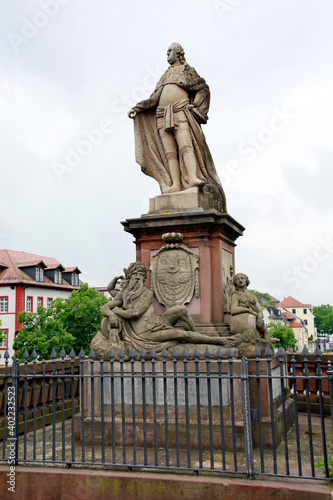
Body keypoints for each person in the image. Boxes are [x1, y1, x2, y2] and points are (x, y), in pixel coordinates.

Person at [128, 43, 226, 212]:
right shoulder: (165, 76)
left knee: (186, 146)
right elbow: (155, 97)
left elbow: (202, 88)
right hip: (161, 114)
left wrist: (195, 107)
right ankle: (176, 184)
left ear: (178, 53)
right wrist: (139, 107)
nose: (167, 55)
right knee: (169, 153)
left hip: (181, 111)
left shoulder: (187, 70)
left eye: (170, 52)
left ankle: (194, 178)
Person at [100, 262, 234, 354]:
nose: (138, 278)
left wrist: (116, 311)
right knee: (181, 334)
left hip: (157, 323)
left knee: (180, 309)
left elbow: (135, 312)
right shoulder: (123, 293)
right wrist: (111, 315)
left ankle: (196, 338)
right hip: (147, 332)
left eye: (141, 276)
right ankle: (218, 340)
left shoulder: (147, 293)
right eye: (136, 275)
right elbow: (104, 307)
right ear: (129, 277)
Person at [230, 273, 270, 341]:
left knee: (264, 329)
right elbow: (233, 310)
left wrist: (260, 316)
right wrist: (248, 310)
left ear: (246, 281)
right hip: (243, 321)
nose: (240, 280)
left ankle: (267, 343)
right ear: (235, 283)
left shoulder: (252, 296)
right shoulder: (236, 296)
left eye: (242, 278)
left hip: (255, 321)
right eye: (238, 279)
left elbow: (259, 310)